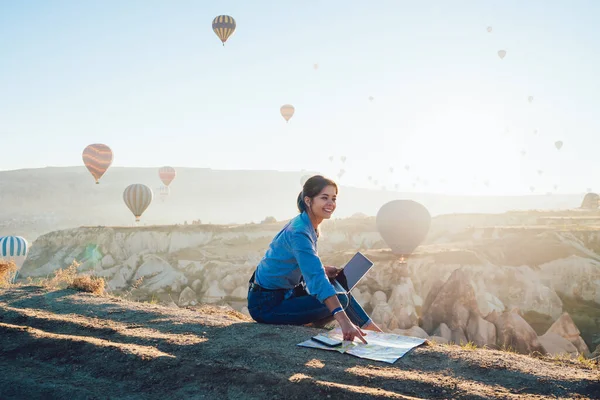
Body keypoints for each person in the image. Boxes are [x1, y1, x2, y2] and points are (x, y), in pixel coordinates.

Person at [247, 175, 382, 343]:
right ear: (308, 200)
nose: (331, 203)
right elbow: (316, 279)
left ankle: (371, 329)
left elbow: (293, 265)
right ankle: (369, 331)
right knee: (338, 297)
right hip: (266, 304)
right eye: (324, 198)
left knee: (335, 283)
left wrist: (324, 270)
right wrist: (345, 322)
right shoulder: (299, 232)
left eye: (333, 198)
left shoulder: (307, 225)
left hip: (283, 293)